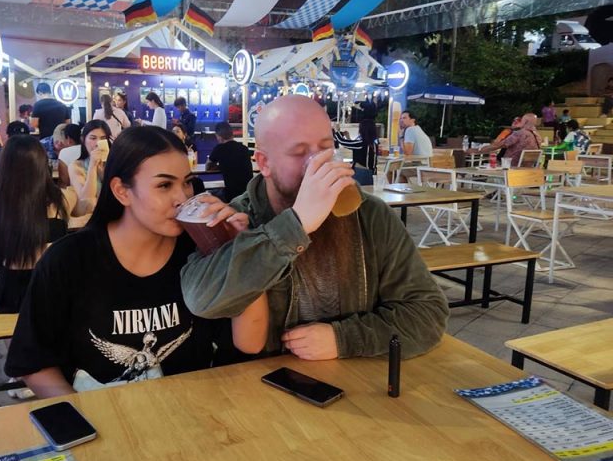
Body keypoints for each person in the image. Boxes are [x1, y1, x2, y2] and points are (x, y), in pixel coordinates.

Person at [181, 95, 449, 360]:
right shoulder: (239, 218)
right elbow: (201, 300)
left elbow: (428, 313)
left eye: (325, 148)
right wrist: (295, 225)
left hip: (352, 378)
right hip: (262, 380)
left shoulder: (369, 214)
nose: (316, 163)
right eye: (299, 152)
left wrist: (343, 339)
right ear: (264, 163)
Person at [4, 127, 266, 397]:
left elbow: (251, 343)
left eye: (187, 182)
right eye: (164, 185)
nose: (182, 198)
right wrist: (82, 414)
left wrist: (240, 251)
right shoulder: (70, 259)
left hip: (190, 412)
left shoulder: (199, 251)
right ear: (121, 191)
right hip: (104, 415)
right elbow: (33, 363)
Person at [0, 135, 91, 315]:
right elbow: (87, 205)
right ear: (42, 165)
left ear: (4, 167)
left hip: (9, 292)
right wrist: (94, 167)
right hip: (52, 288)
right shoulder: (61, 199)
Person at [69, 119, 113, 208]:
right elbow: (86, 199)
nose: (97, 143)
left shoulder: (114, 163)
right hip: (90, 214)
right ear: (83, 140)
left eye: (103, 138)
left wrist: (104, 175)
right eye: (93, 138)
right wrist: (92, 166)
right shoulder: (76, 166)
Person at [206, 121, 253, 201]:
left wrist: (220, 166)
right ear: (232, 134)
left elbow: (208, 167)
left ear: (219, 136)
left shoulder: (219, 149)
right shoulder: (244, 148)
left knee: (207, 194)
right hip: (248, 194)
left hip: (231, 195)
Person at [467, 112, 542, 163]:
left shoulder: (519, 133)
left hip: (511, 165)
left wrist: (478, 150)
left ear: (525, 122)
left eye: (521, 120)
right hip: (528, 167)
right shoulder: (538, 136)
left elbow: (498, 145)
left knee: (490, 162)